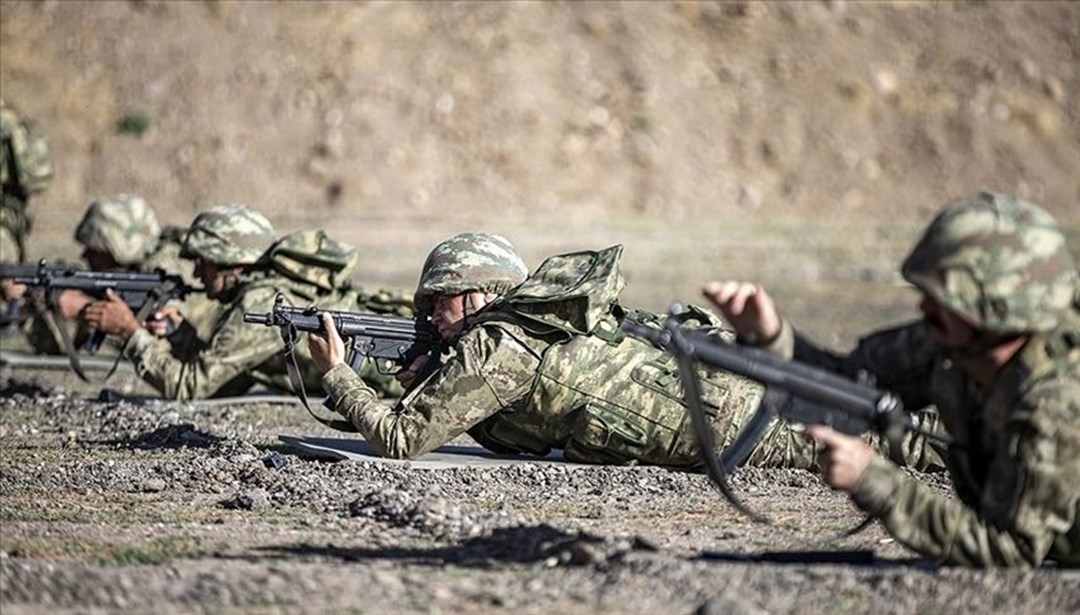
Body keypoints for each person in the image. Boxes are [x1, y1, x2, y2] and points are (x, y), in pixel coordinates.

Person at [307, 232, 943, 469]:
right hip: (717, 402)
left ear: (475, 297)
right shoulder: (526, 326)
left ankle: (1004, 447)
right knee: (884, 424)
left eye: (435, 302)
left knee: (890, 437)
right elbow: (500, 425)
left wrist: (337, 374)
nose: (425, 316)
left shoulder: (500, 343)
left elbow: (399, 442)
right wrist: (413, 376)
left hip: (722, 426)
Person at [705, 191, 1080, 568]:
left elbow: (1008, 550)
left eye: (944, 302)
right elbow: (851, 381)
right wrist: (772, 337)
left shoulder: (1054, 403)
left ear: (998, 314)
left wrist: (877, 482)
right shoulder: (951, 340)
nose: (924, 309)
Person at [83, 203, 403, 400]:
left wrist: (129, 331)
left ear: (232, 265)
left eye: (204, 263)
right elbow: (229, 381)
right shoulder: (265, 292)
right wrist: (176, 336)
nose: (197, 273)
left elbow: (188, 387)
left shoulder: (261, 301)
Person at [17, 195, 219, 354]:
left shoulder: (167, 269)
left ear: (117, 251)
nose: (85, 255)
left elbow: (166, 343)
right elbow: (57, 346)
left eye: (95, 249)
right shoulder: (127, 275)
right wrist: (28, 306)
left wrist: (85, 309)